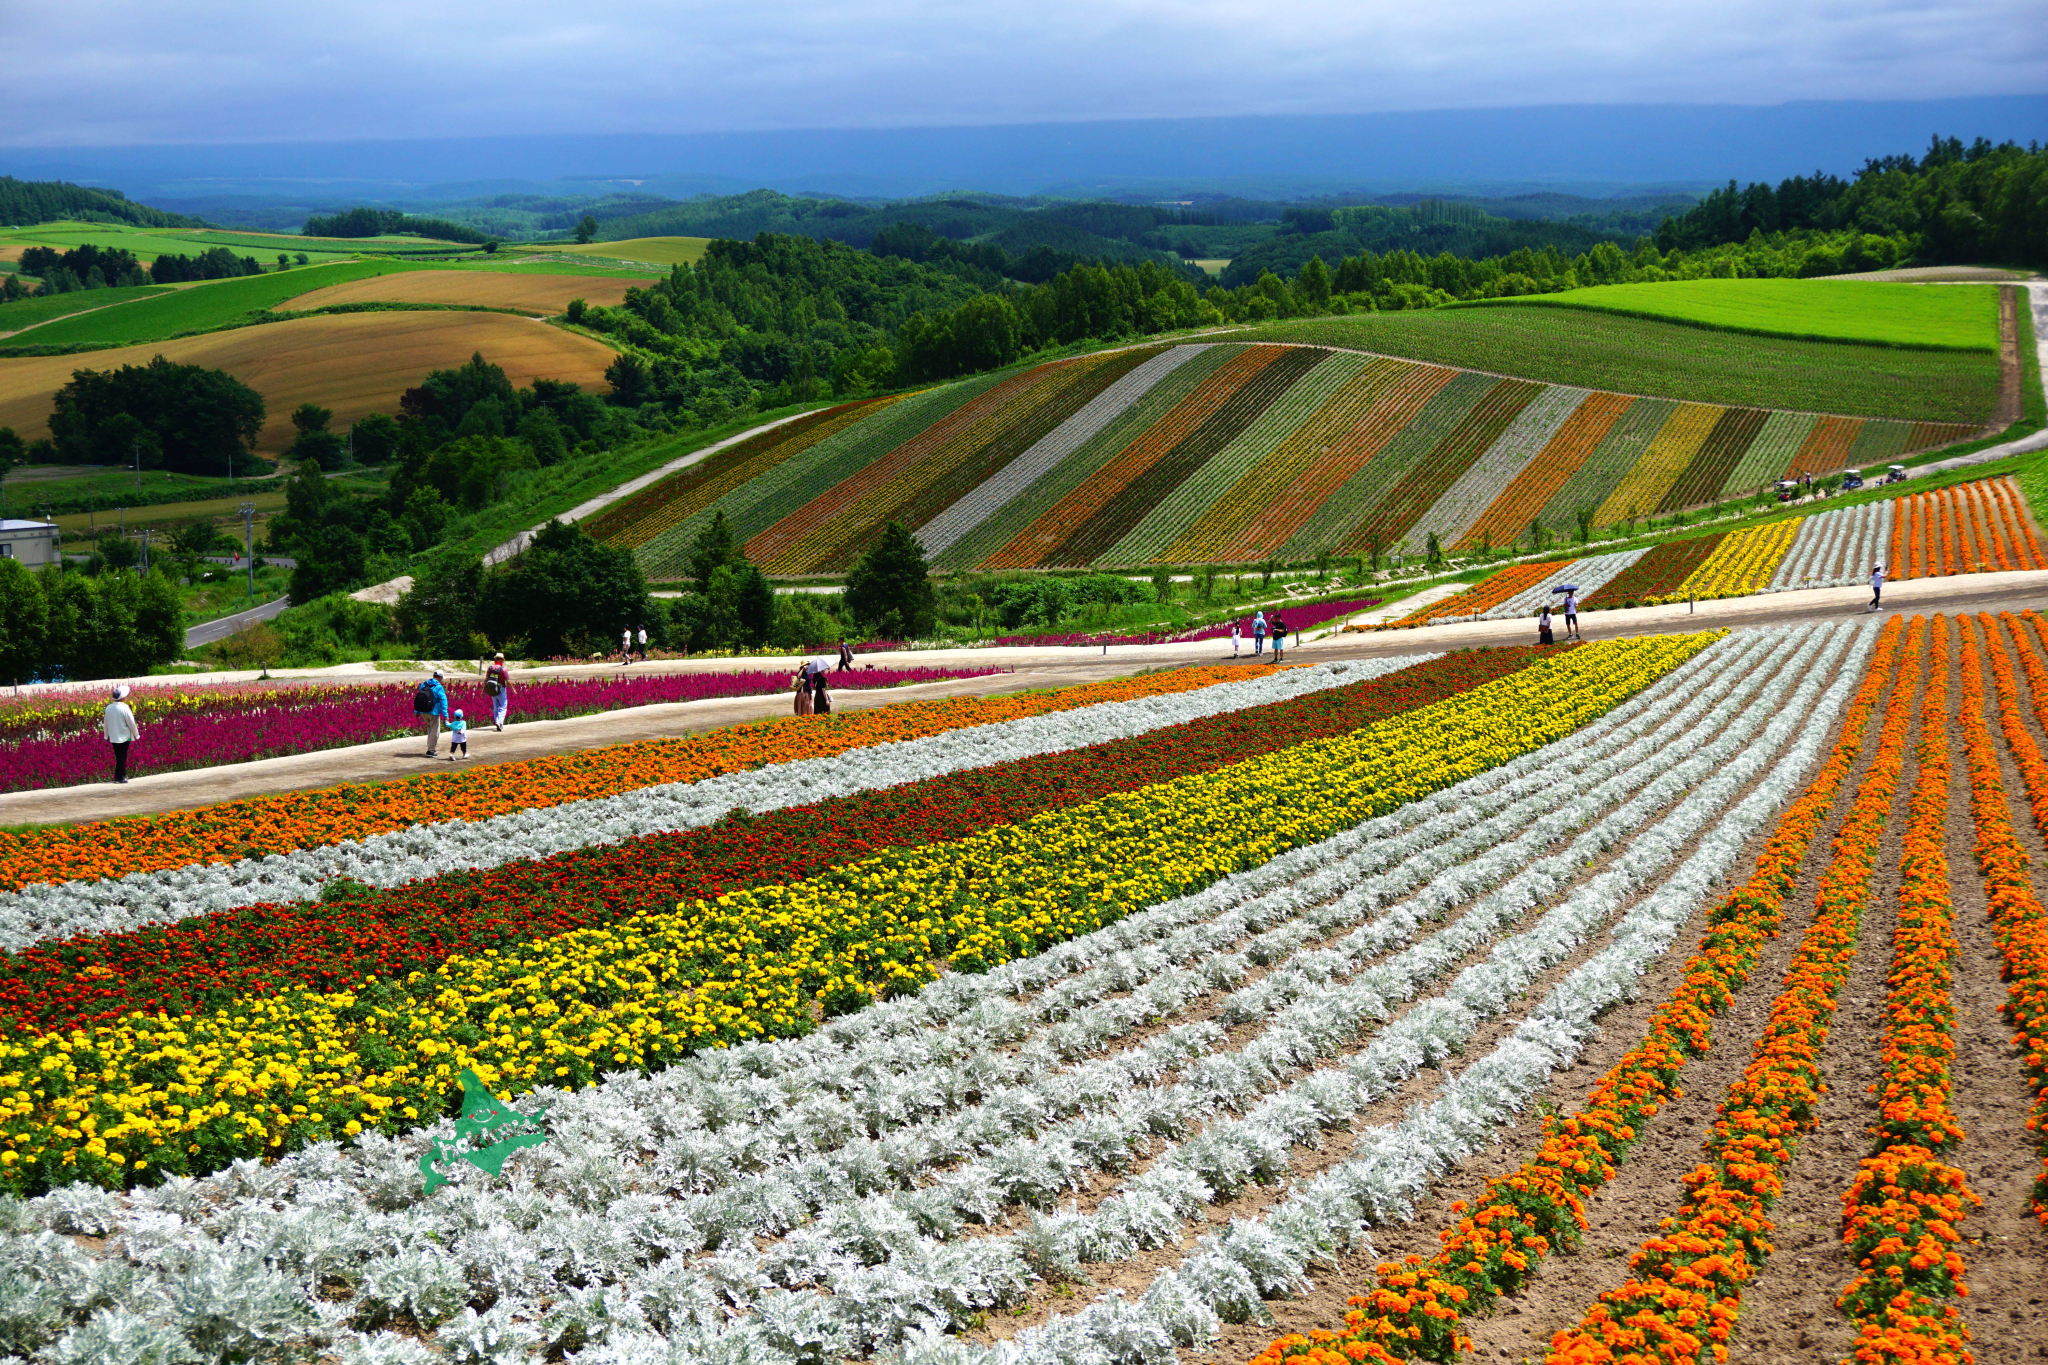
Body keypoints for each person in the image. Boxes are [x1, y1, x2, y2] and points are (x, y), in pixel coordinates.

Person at [102, 684, 139, 784]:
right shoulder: (125, 707)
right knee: (122, 756)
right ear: (122, 698)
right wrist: (136, 734)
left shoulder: (108, 708)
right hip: (124, 736)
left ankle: (118, 777)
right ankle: (121, 776)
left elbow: (105, 723)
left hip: (113, 736)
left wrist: (106, 735)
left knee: (119, 756)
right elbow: (131, 722)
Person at [418, 669, 450, 756]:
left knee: (429, 729)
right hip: (434, 712)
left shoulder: (423, 684)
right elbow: (443, 700)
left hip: (423, 711)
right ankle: (431, 750)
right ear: (440, 677)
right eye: (441, 678)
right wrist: (446, 715)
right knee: (435, 731)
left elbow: (418, 698)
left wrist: (417, 711)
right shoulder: (439, 687)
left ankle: (430, 748)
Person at [483, 652, 512, 731]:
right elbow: (508, 681)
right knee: (502, 707)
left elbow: (486, 679)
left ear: (495, 659)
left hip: (492, 689)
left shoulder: (490, 668)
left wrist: (483, 690)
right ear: (502, 660)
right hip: (501, 689)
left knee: (495, 707)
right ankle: (499, 722)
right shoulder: (503, 669)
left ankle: (497, 722)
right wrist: (513, 689)